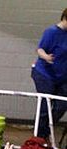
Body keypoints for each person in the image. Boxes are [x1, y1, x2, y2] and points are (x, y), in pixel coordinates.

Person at [30, 8, 67, 140]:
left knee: (62, 106)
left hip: (62, 77)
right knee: (45, 107)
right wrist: (46, 57)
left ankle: (45, 132)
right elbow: (40, 49)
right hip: (44, 74)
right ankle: (39, 138)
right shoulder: (51, 32)